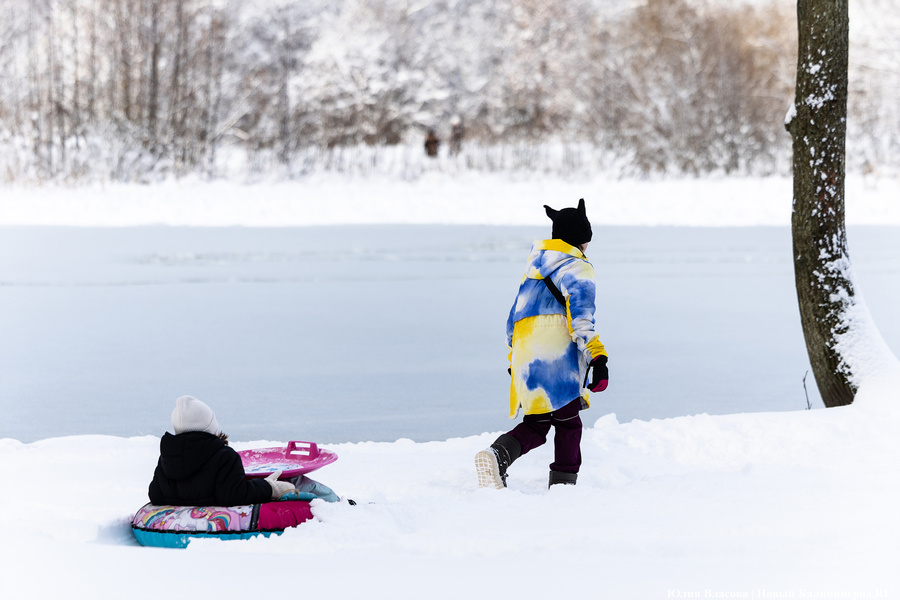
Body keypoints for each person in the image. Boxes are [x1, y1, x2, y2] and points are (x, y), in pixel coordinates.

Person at [475, 198, 609, 489]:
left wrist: (516, 360)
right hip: (555, 356)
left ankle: (497, 454)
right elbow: (582, 320)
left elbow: (512, 320)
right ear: (582, 239)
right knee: (569, 422)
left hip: (525, 353)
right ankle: (563, 486)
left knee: (537, 424)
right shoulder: (577, 268)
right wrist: (598, 357)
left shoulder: (533, 270)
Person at [148, 395, 338, 506]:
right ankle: (337, 505)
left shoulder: (167, 458)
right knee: (298, 483)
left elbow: (155, 495)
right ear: (210, 426)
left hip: (174, 523)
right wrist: (269, 487)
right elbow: (233, 495)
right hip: (223, 524)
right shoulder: (224, 457)